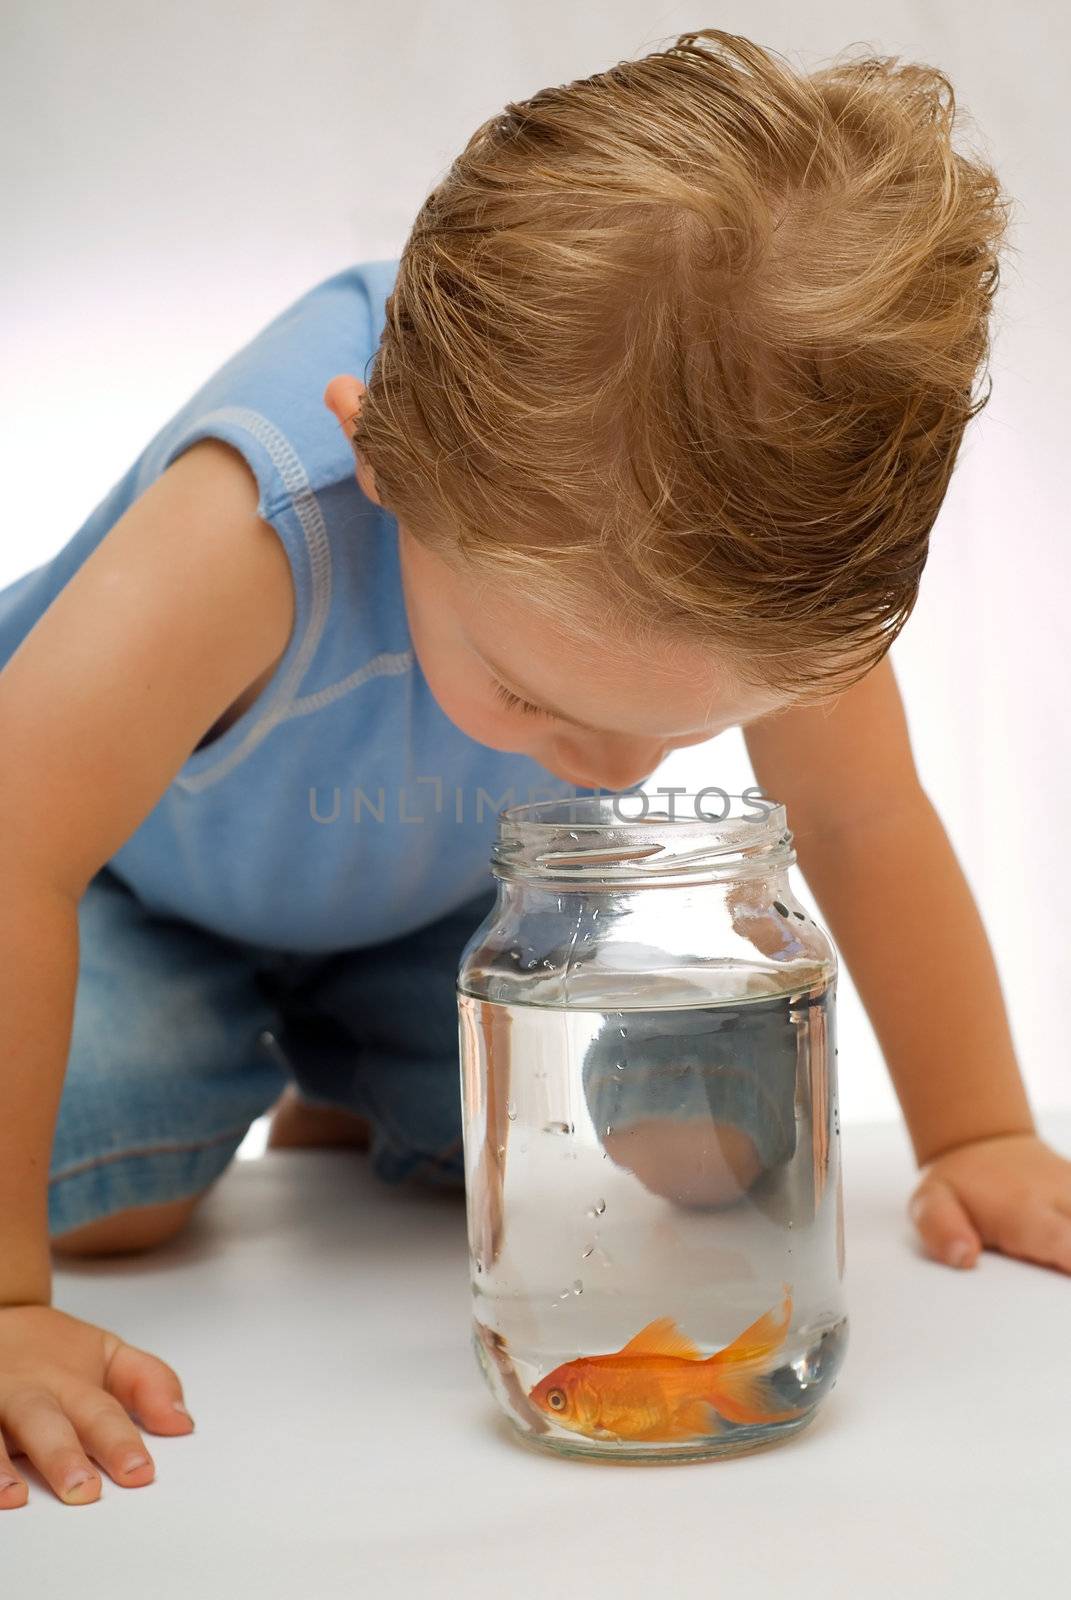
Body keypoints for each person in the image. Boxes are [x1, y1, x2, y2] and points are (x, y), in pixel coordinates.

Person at [0, 27, 1065, 1512]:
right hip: (116, 890)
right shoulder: (260, 524)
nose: (622, 768)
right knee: (124, 1181)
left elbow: (860, 811)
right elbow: (15, 849)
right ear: (383, 465)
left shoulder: (758, 549)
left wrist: (981, 1130)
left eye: (685, 722)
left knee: (712, 1140)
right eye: (531, 692)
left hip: (428, 914)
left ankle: (348, 1082)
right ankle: (272, 1073)